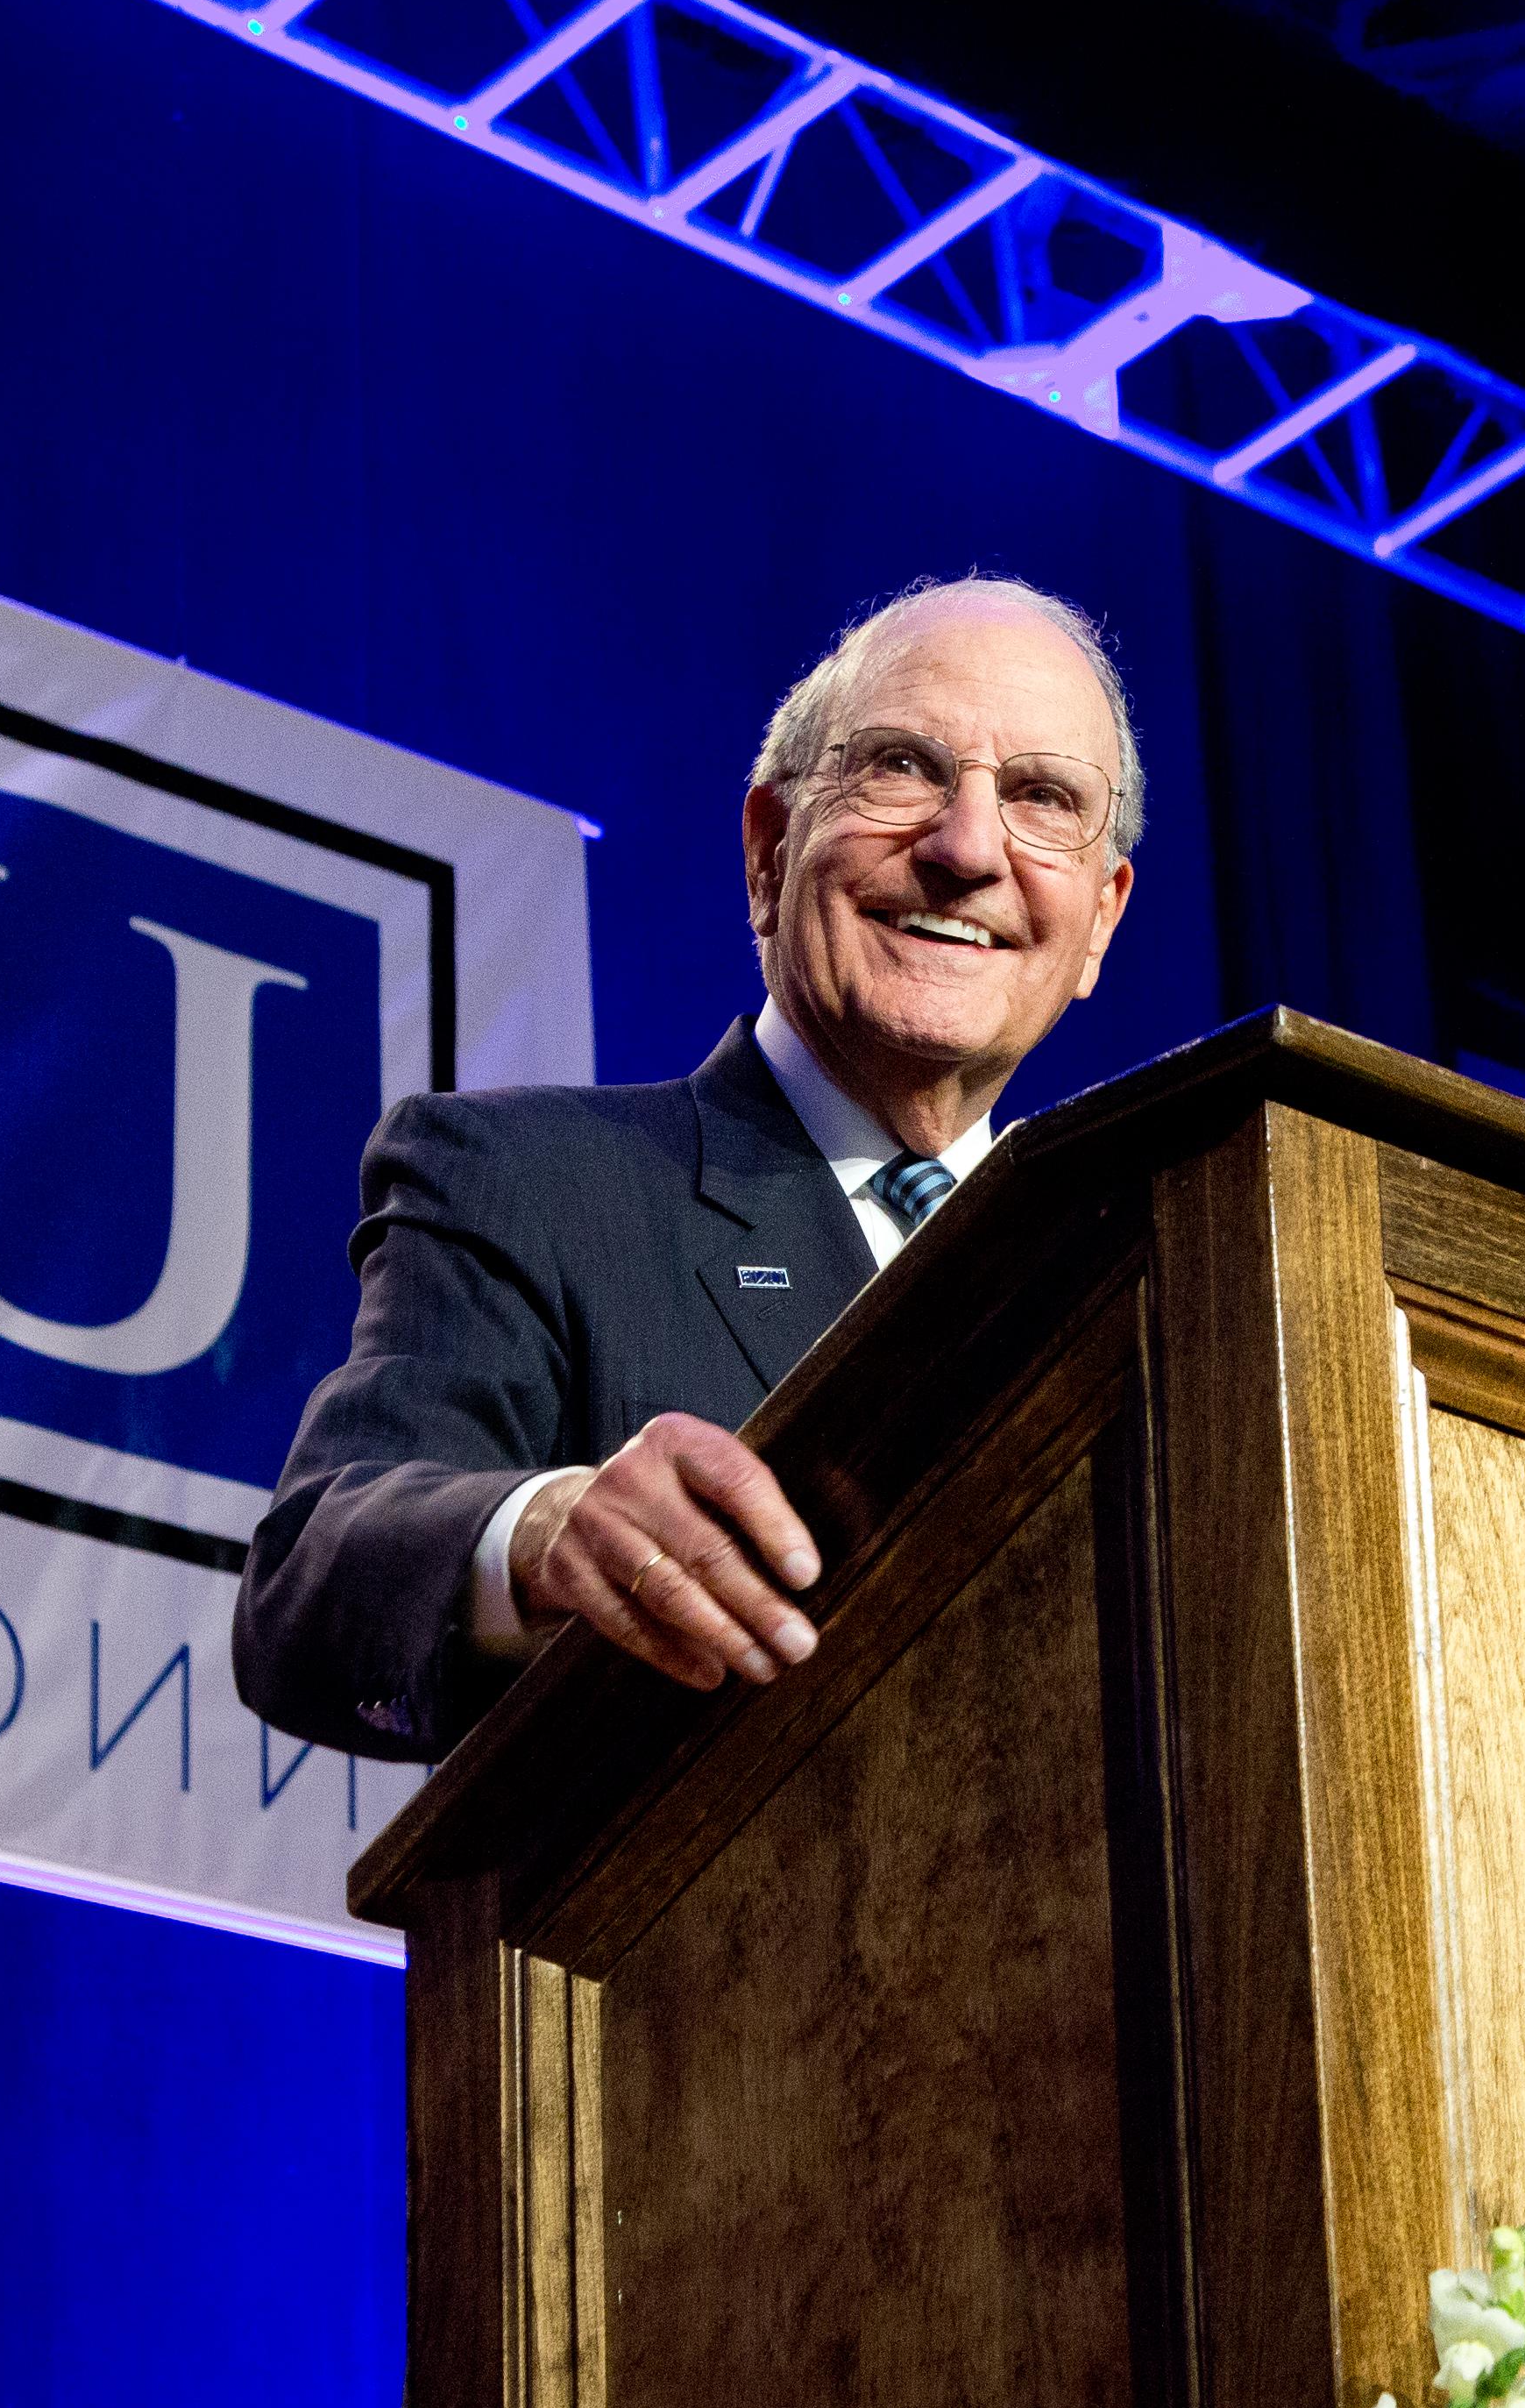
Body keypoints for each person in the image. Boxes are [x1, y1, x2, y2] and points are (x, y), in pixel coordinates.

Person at [231, 573, 1138, 1756]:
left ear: (1101, 924)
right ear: (767, 853)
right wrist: (545, 1533)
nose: (969, 847)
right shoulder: (526, 1179)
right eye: (905, 767)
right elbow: (309, 1579)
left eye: (1041, 798)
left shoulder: (1131, 1279)